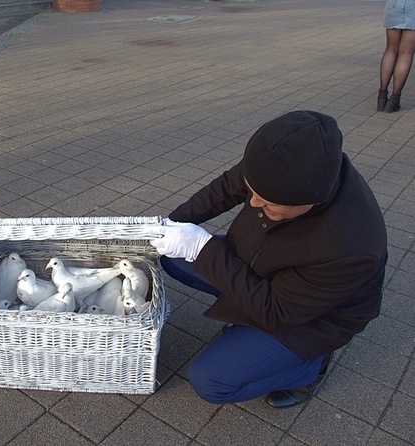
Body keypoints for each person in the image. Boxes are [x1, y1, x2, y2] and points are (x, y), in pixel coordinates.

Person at [147, 111, 387, 408]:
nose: (254, 202)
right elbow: (226, 187)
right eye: (253, 191)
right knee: (173, 256)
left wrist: (201, 248)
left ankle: (308, 368)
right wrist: (168, 226)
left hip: (309, 318)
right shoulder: (288, 161)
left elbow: (276, 311)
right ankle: (246, 318)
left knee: (211, 381)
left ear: (309, 199)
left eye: (268, 203)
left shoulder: (348, 246)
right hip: (268, 267)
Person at [377, 0, 415, 112]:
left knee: (391, 48)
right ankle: (394, 98)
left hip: (394, 4)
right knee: (406, 52)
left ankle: (382, 96)